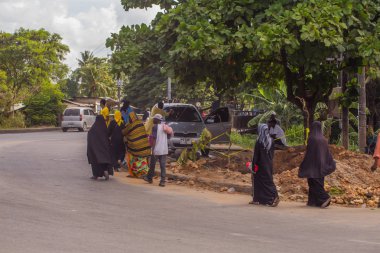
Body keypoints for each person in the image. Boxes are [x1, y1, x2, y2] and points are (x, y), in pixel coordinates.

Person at [299, 121, 336, 208]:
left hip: (313, 165)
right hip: (322, 165)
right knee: (318, 182)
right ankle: (313, 202)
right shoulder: (323, 139)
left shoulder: (312, 138)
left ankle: (324, 197)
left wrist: (305, 163)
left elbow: (309, 152)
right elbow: (327, 153)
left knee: (313, 183)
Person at [250, 124, 280, 207]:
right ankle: (261, 199)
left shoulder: (259, 141)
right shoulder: (271, 140)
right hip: (268, 164)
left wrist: (253, 165)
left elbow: (256, 155)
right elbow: (272, 154)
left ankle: (273, 197)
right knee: (268, 180)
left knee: (259, 181)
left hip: (260, 165)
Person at [144, 114, 173, 187]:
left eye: (154, 119)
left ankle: (149, 178)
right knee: (162, 166)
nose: (153, 120)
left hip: (157, 149)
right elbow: (169, 136)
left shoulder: (155, 127)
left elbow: (153, 138)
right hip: (164, 149)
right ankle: (162, 181)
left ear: (157, 120)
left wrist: (153, 149)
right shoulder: (165, 127)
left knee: (152, 165)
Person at [122, 109, 151, 177]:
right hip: (145, 146)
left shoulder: (130, 125)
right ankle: (143, 173)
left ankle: (135, 173)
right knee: (143, 160)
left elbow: (123, 132)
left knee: (132, 158)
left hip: (135, 147)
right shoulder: (140, 123)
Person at [87, 115, 113, 180]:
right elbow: (107, 137)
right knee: (105, 158)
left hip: (95, 149)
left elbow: (90, 138)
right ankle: (105, 171)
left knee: (94, 160)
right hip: (104, 149)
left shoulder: (93, 128)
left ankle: (96, 175)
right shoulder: (104, 128)